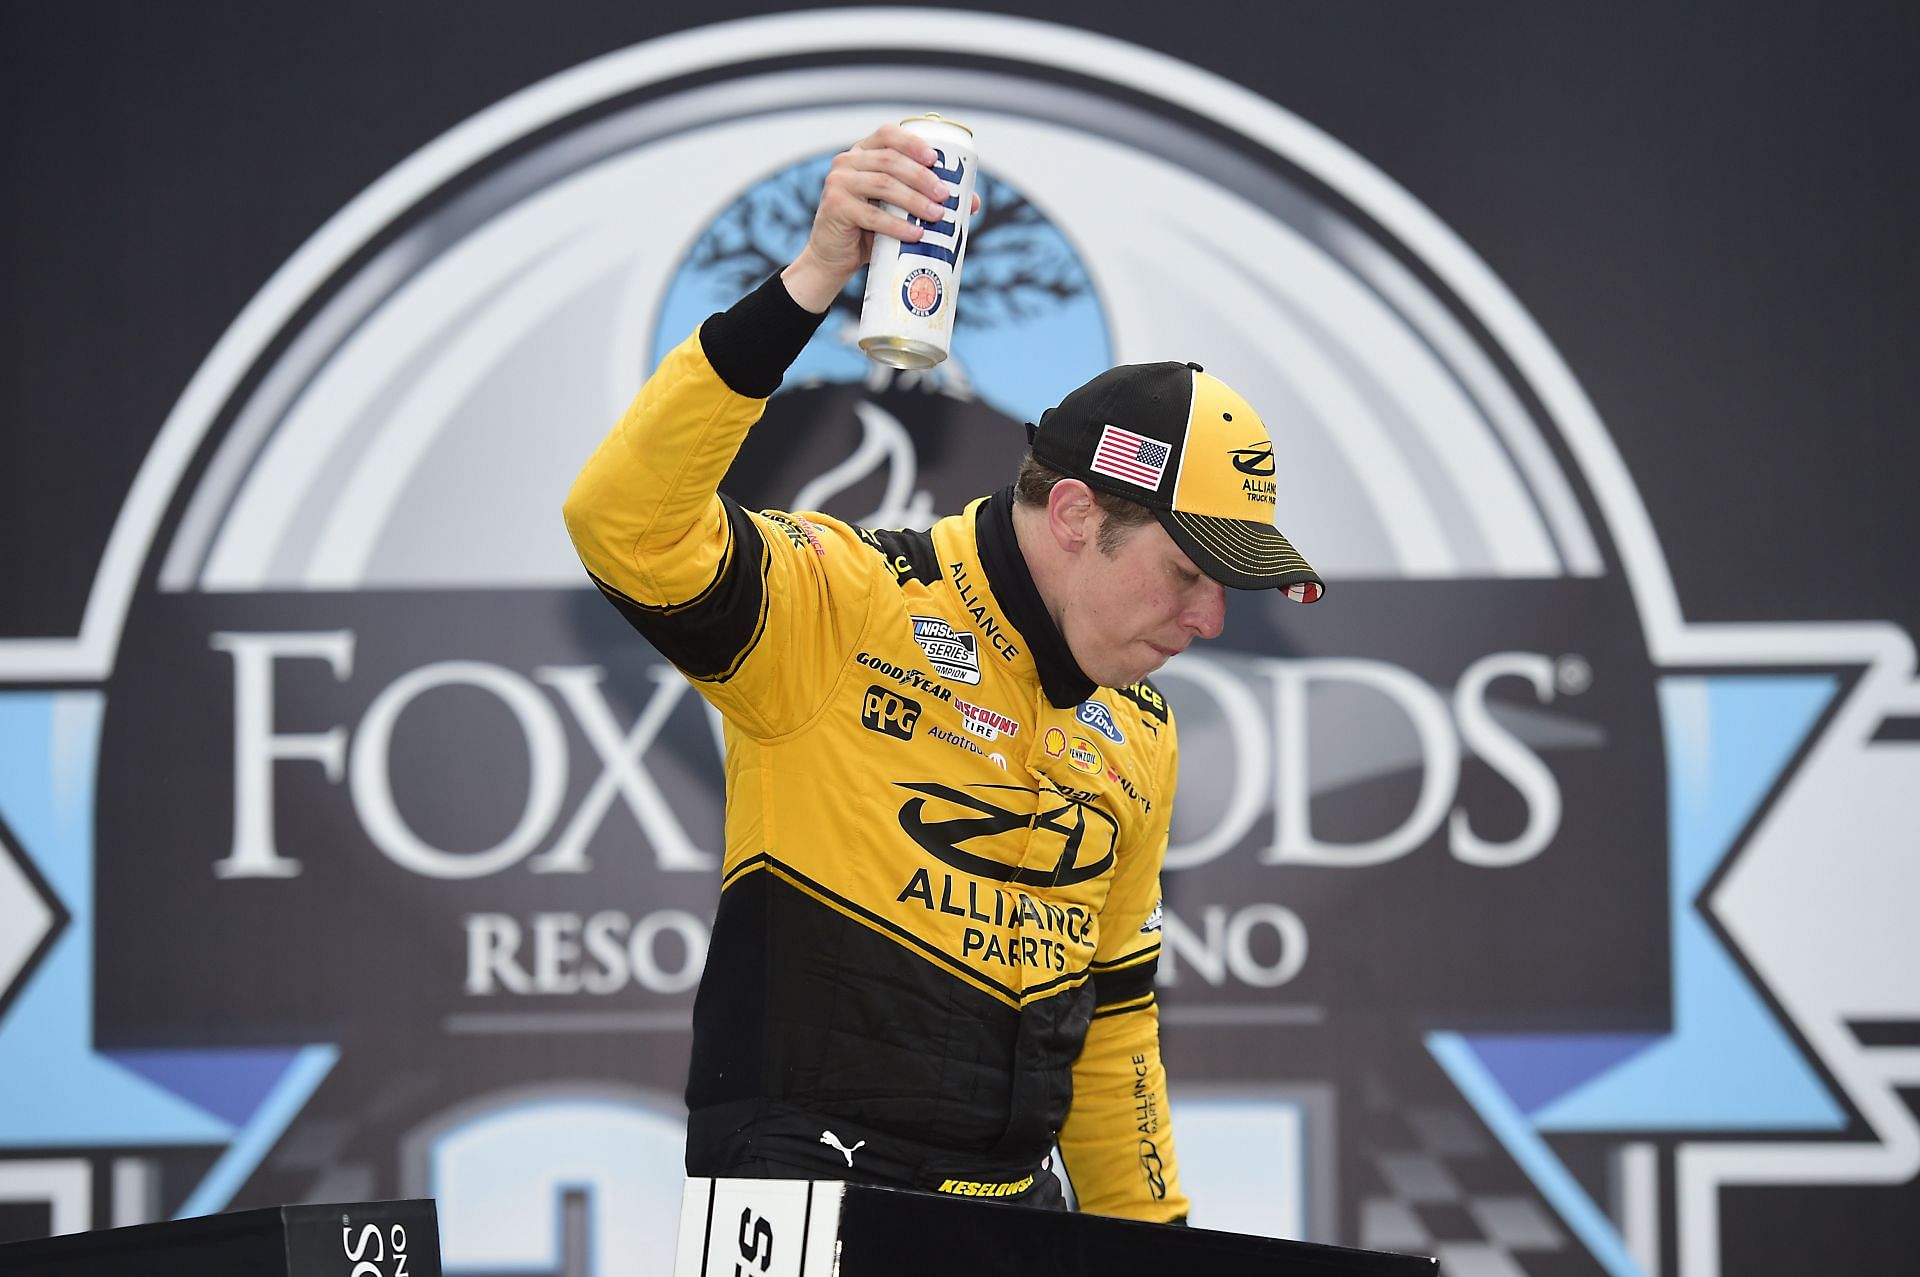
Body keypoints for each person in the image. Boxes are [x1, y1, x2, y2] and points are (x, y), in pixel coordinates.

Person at [562, 121, 1322, 1223]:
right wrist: (813, 279)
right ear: (1074, 512)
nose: (1209, 617)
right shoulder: (844, 601)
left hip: (1017, 1219)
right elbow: (622, 523)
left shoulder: (1140, 729)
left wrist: (1155, 1245)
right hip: (813, 1208)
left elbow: (1113, 1032)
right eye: (1187, 571)